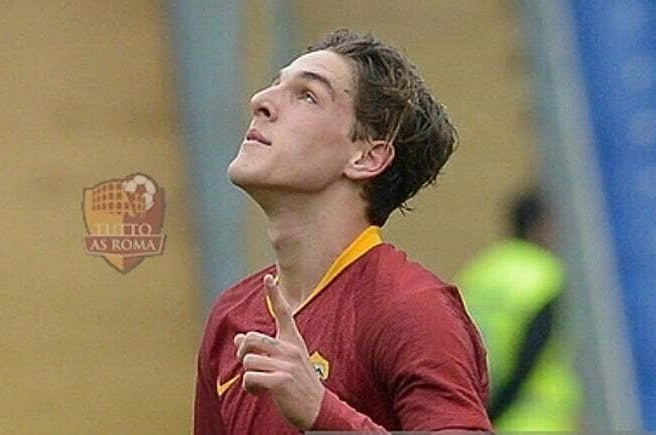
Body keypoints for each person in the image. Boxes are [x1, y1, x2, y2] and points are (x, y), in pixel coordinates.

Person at [193, 29, 492, 433]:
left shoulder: (411, 308)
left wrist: (321, 413)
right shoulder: (232, 315)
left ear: (366, 157)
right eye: (276, 84)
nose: (260, 100)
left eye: (307, 95)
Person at [455, 191, 582, 430]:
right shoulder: (546, 276)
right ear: (539, 226)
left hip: (477, 411)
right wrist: (494, 414)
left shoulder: (480, 272)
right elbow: (528, 359)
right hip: (533, 420)